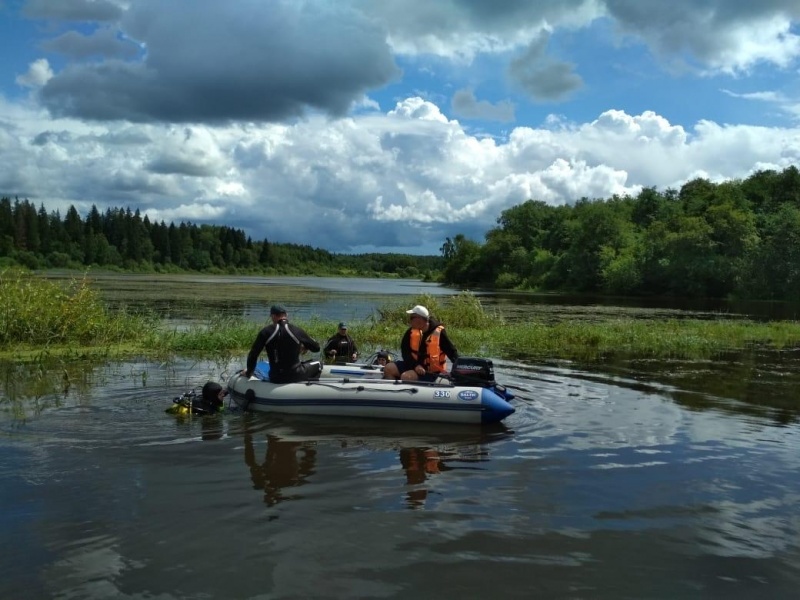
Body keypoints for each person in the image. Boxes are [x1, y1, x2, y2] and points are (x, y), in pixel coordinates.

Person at [242, 305, 322, 383]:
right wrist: (305, 347)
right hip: (296, 375)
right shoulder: (297, 330)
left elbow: (253, 355)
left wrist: (249, 372)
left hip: (275, 377)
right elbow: (316, 348)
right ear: (286, 315)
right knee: (318, 363)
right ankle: (310, 388)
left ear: (273, 316)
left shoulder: (266, 332)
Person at [383, 305, 458, 382]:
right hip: (414, 366)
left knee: (406, 376)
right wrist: (415, 365)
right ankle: (393, 391)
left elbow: (452, 352)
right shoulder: (410, 332)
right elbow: (405, 353)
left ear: (420, 319)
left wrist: (458, 369)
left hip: (431, 372)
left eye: (412, 318)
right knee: (388, 368)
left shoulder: (439, 333)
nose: (409, 320)